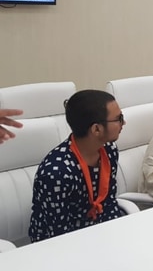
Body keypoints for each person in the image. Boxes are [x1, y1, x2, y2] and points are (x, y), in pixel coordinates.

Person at [29, 90, 125, 242]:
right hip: (59, 245)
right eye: (119, 119)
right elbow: (58, 233)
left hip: (98, 233)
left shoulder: (109, 151)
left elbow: (108, 203)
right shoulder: (56, 173)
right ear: (96, 129)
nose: (123, 123)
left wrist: (117, 236)